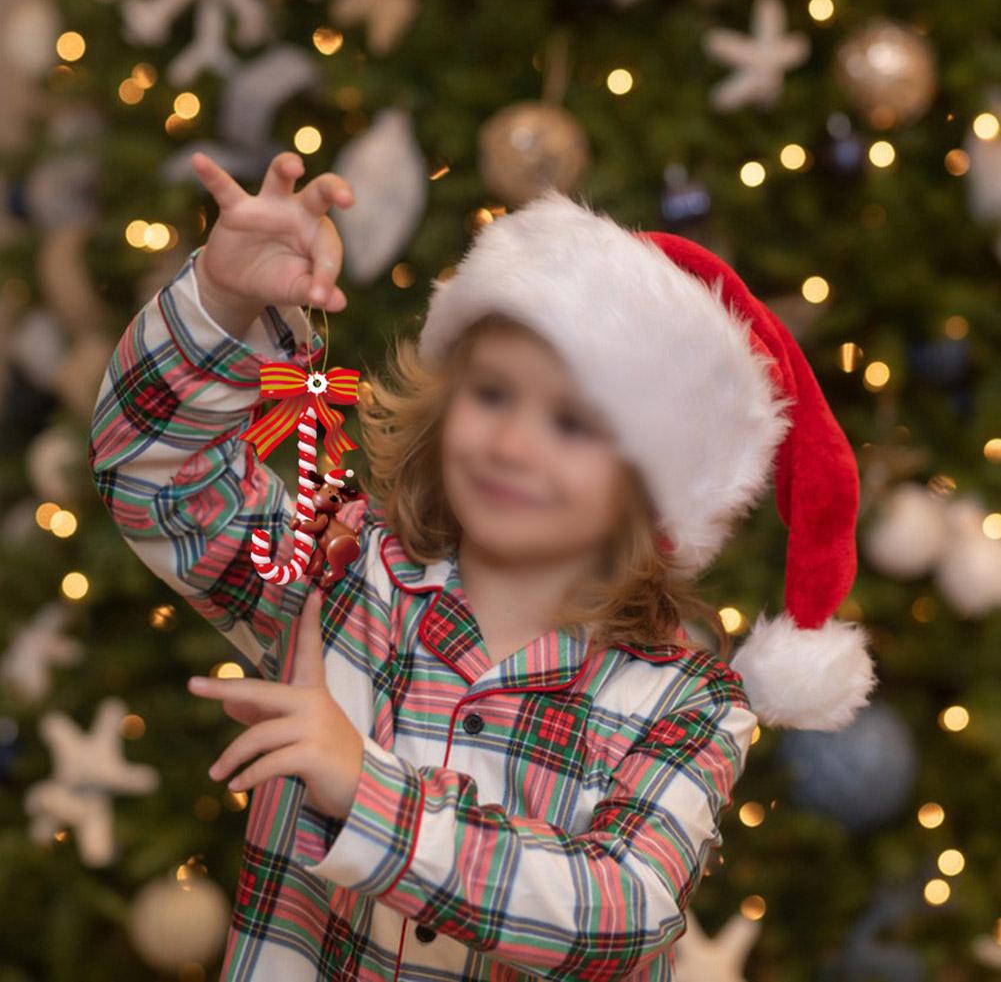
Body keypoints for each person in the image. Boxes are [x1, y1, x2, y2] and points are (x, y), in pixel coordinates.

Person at [88, 150, 876, 980]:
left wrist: (368, 793)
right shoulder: (343, 572)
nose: (510, 443)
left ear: (652, 488)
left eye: (571, 423)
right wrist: (222, 300)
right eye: (493, 393)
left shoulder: (687, 703)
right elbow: (156, 480)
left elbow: (620, 910)